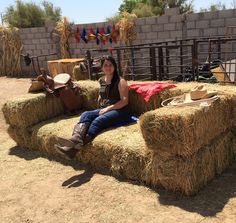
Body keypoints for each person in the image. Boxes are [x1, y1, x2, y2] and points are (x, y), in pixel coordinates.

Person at [55, 55, 131, 159]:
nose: (108, 67)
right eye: (105, 65)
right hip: (106, 108)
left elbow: (124, 101)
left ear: (114, 66)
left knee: (98, 121)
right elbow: (103, 93)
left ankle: (73, 148)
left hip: (121, 110)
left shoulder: (121, 81)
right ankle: (76, 139)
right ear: (102, 67)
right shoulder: (102, 80)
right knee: (86, 114)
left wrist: (107, 108)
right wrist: (101, 100)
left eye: (110, 65)